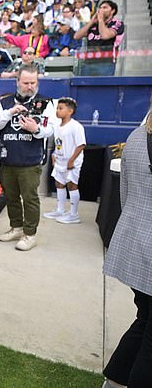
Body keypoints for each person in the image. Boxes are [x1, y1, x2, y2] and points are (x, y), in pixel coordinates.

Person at [102, 112, 152, 388]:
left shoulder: (135, 136)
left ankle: (116, 380)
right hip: (145, 246)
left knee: (144, 319)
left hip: (134, 241)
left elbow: (125, 195)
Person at [0, 64, 54, 251]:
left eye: (33, 82)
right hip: (7, 158)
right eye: (26, 82)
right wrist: (9, 113)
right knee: (11, 196)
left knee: (30, 198)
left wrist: (36, 129)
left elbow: (51, 129)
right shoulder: (5, 102)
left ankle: (30, 234)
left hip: (30, 161)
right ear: (18, 82)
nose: (29, 86)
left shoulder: (45, 103)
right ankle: (16, 227)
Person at [43, 97, 86, 224]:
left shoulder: (76, 126)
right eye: (57, 108)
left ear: (70, 111)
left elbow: (81, 145)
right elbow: (58, 143)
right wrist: (54, 154)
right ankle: (60, 210)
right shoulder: (57, 126)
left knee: (72, 185)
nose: (57, 111)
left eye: (61, 108)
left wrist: (71, 160)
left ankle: (74, 214)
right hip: (60, 160)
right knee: (59, 183)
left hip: (72, 161)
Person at [74, 0, 124, 76]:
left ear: (113, 11)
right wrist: (91, 22)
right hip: (88, 62)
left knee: (103, 87)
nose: (101, 10)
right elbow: (76, 36)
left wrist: (101, 20)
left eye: (105, 8)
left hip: (106, 62)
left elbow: (105, 35)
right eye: (100, 8)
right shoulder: (94, 24)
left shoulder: (116, 23)